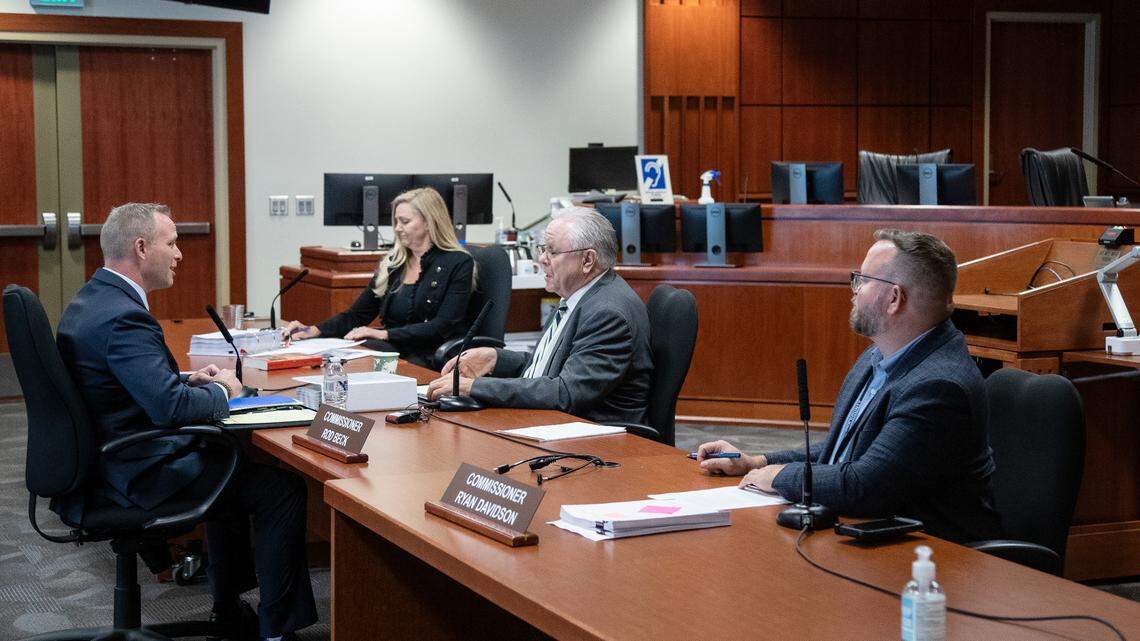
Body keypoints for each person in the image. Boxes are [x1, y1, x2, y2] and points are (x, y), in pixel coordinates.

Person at [56, 203, 316, 641]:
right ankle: (275, 630)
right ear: (141, 248)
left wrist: (182, 379)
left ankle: (228, 609)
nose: (179, 254)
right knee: (280, 488)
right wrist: (223, 391)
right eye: (172, 244)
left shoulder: (92, 300)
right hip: (136, 474)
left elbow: (116, 383)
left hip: (103, 464)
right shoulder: (124, 317)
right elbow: (170, 411)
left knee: (229, 462)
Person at [697, 229, 1002, 544]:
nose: (854, 290)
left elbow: (865, 485)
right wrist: (758, 462)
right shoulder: (878, 357)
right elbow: (845, 450)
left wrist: (779, 476)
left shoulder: (939, 386)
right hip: (868, 537)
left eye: (863, 279)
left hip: (933, 555)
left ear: (894, 298)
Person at [427, 207, 652, 424]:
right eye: (542, 249)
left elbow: (566, 393)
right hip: (559, 423)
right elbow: (548, 367)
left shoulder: (607, 313)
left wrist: (474, 387)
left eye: (552, 252)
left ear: (587, 260)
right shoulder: (578, 296)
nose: (542, 259)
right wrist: (494, 358)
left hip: (598, 436)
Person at [281, 187, 474, 367]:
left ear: (429, 222)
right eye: (396, 221)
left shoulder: (458, 263)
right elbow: (356, 315)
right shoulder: (394, 264)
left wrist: (384, 334)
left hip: (428, 354)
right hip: (392, 349)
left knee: (361, 359)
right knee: (338, 359)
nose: (397, 228)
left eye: (405, 222)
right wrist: (314, 330)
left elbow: (442, 326)